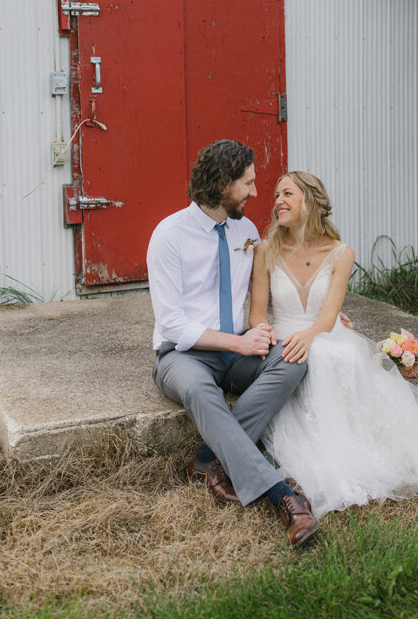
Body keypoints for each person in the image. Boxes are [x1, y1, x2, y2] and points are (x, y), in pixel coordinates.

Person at [149, 139, 319, 546]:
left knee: (293, 361)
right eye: (248, 183)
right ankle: (283, 497)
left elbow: (278, 277)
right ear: (223, 184)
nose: (257, 192)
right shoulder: (169, 235)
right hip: (182, 355)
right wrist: (238, 343)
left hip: (236, 349)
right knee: (198, 389)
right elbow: (172, 323)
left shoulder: (244, 231)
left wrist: (321, 313)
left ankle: (209, 460)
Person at [255, 171, 418, 515]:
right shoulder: (266, 251)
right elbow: (256, 313)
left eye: (287, 194)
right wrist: (264, 332)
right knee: (305, 358)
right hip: (283, 334)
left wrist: (311, 334)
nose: (277, 202)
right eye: (275, 196)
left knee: (337, 355)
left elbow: (329, 316)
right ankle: (320, 449)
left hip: (322, 331)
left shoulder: (340, 253)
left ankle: (353, 447)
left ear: (310, 201)